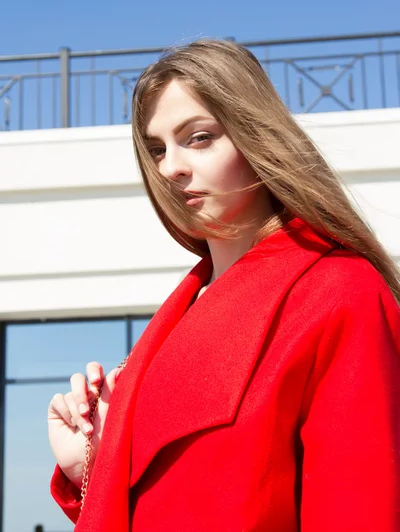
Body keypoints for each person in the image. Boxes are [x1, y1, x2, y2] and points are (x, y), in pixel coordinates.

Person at [48, 39, 400, 532]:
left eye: (198, 137)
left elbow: (360, 512)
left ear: (255, 135)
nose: (170, 167)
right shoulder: (183, 310)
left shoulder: (340, 292)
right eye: (156, 149)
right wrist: (95, 466)